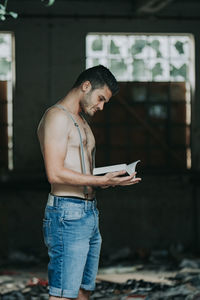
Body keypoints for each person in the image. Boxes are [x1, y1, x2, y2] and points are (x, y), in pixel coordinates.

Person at [37, 65, 141, 300]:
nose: (101, 106)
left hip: (88, 213)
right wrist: (100, 180)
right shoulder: (56, 116)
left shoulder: (81, 121)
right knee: (63, 294)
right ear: (86, 86)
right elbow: (55, 173)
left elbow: (81, 170)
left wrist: (113, 179)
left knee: (84, 291)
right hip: (67, 212)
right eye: (101, 98)